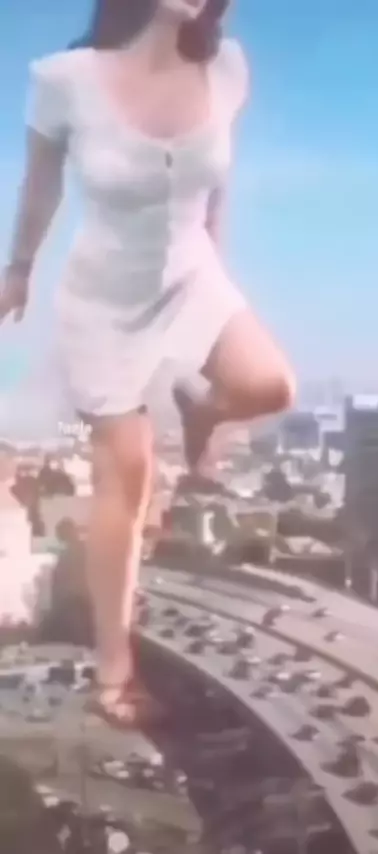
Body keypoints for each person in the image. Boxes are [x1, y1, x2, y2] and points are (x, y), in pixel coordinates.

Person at [0, 0, 296, 728]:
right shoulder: (66, 78)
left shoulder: (226, 69)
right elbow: (41, 187)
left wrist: (218, 278)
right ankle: (115, 674)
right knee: (126, 477)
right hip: (103, 297)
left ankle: (201, 410)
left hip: (191, 274)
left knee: (270, 386)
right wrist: (18, 268)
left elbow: (218, 184)